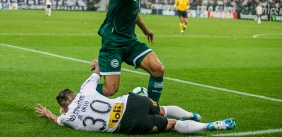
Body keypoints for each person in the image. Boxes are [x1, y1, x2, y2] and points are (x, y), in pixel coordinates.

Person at [35, 60, 237, 134]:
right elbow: (99, 68)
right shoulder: (85, 89)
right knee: (163, 109)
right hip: (129, 101)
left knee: (172, 124)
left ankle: (207, 126)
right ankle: (193, 114)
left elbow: (57, 118)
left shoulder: (67, 119)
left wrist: (49, 114)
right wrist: (95, 65)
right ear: (74, 95)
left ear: (64, 106)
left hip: (127, 123)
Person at [96, 0, 183, 102]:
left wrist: (145, 30)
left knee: (158, 68)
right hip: (113, 44)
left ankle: (152, 108)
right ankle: (77, 97)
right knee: (110, 89)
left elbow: (134, 13)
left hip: (130, 42)